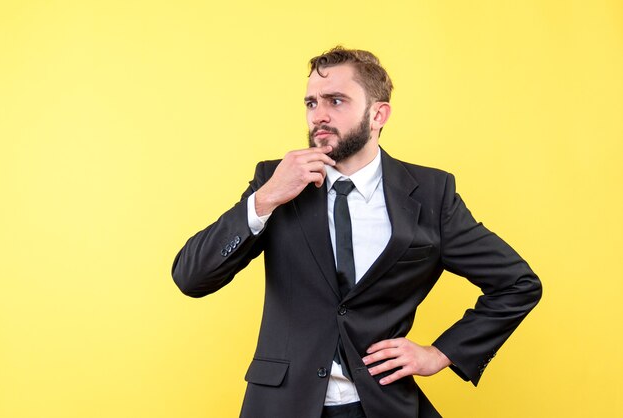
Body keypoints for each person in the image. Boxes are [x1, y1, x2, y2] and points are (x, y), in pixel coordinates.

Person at [171, 46, 542, 418]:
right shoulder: (276, 180)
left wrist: (440, 353)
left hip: (382, 405)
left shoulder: (431, 194)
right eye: (311, 103)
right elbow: (191, 277)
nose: (320, 116)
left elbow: (517, 283)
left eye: (336, 101)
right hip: (284, 405)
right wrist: (265, 199)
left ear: (378, 113)